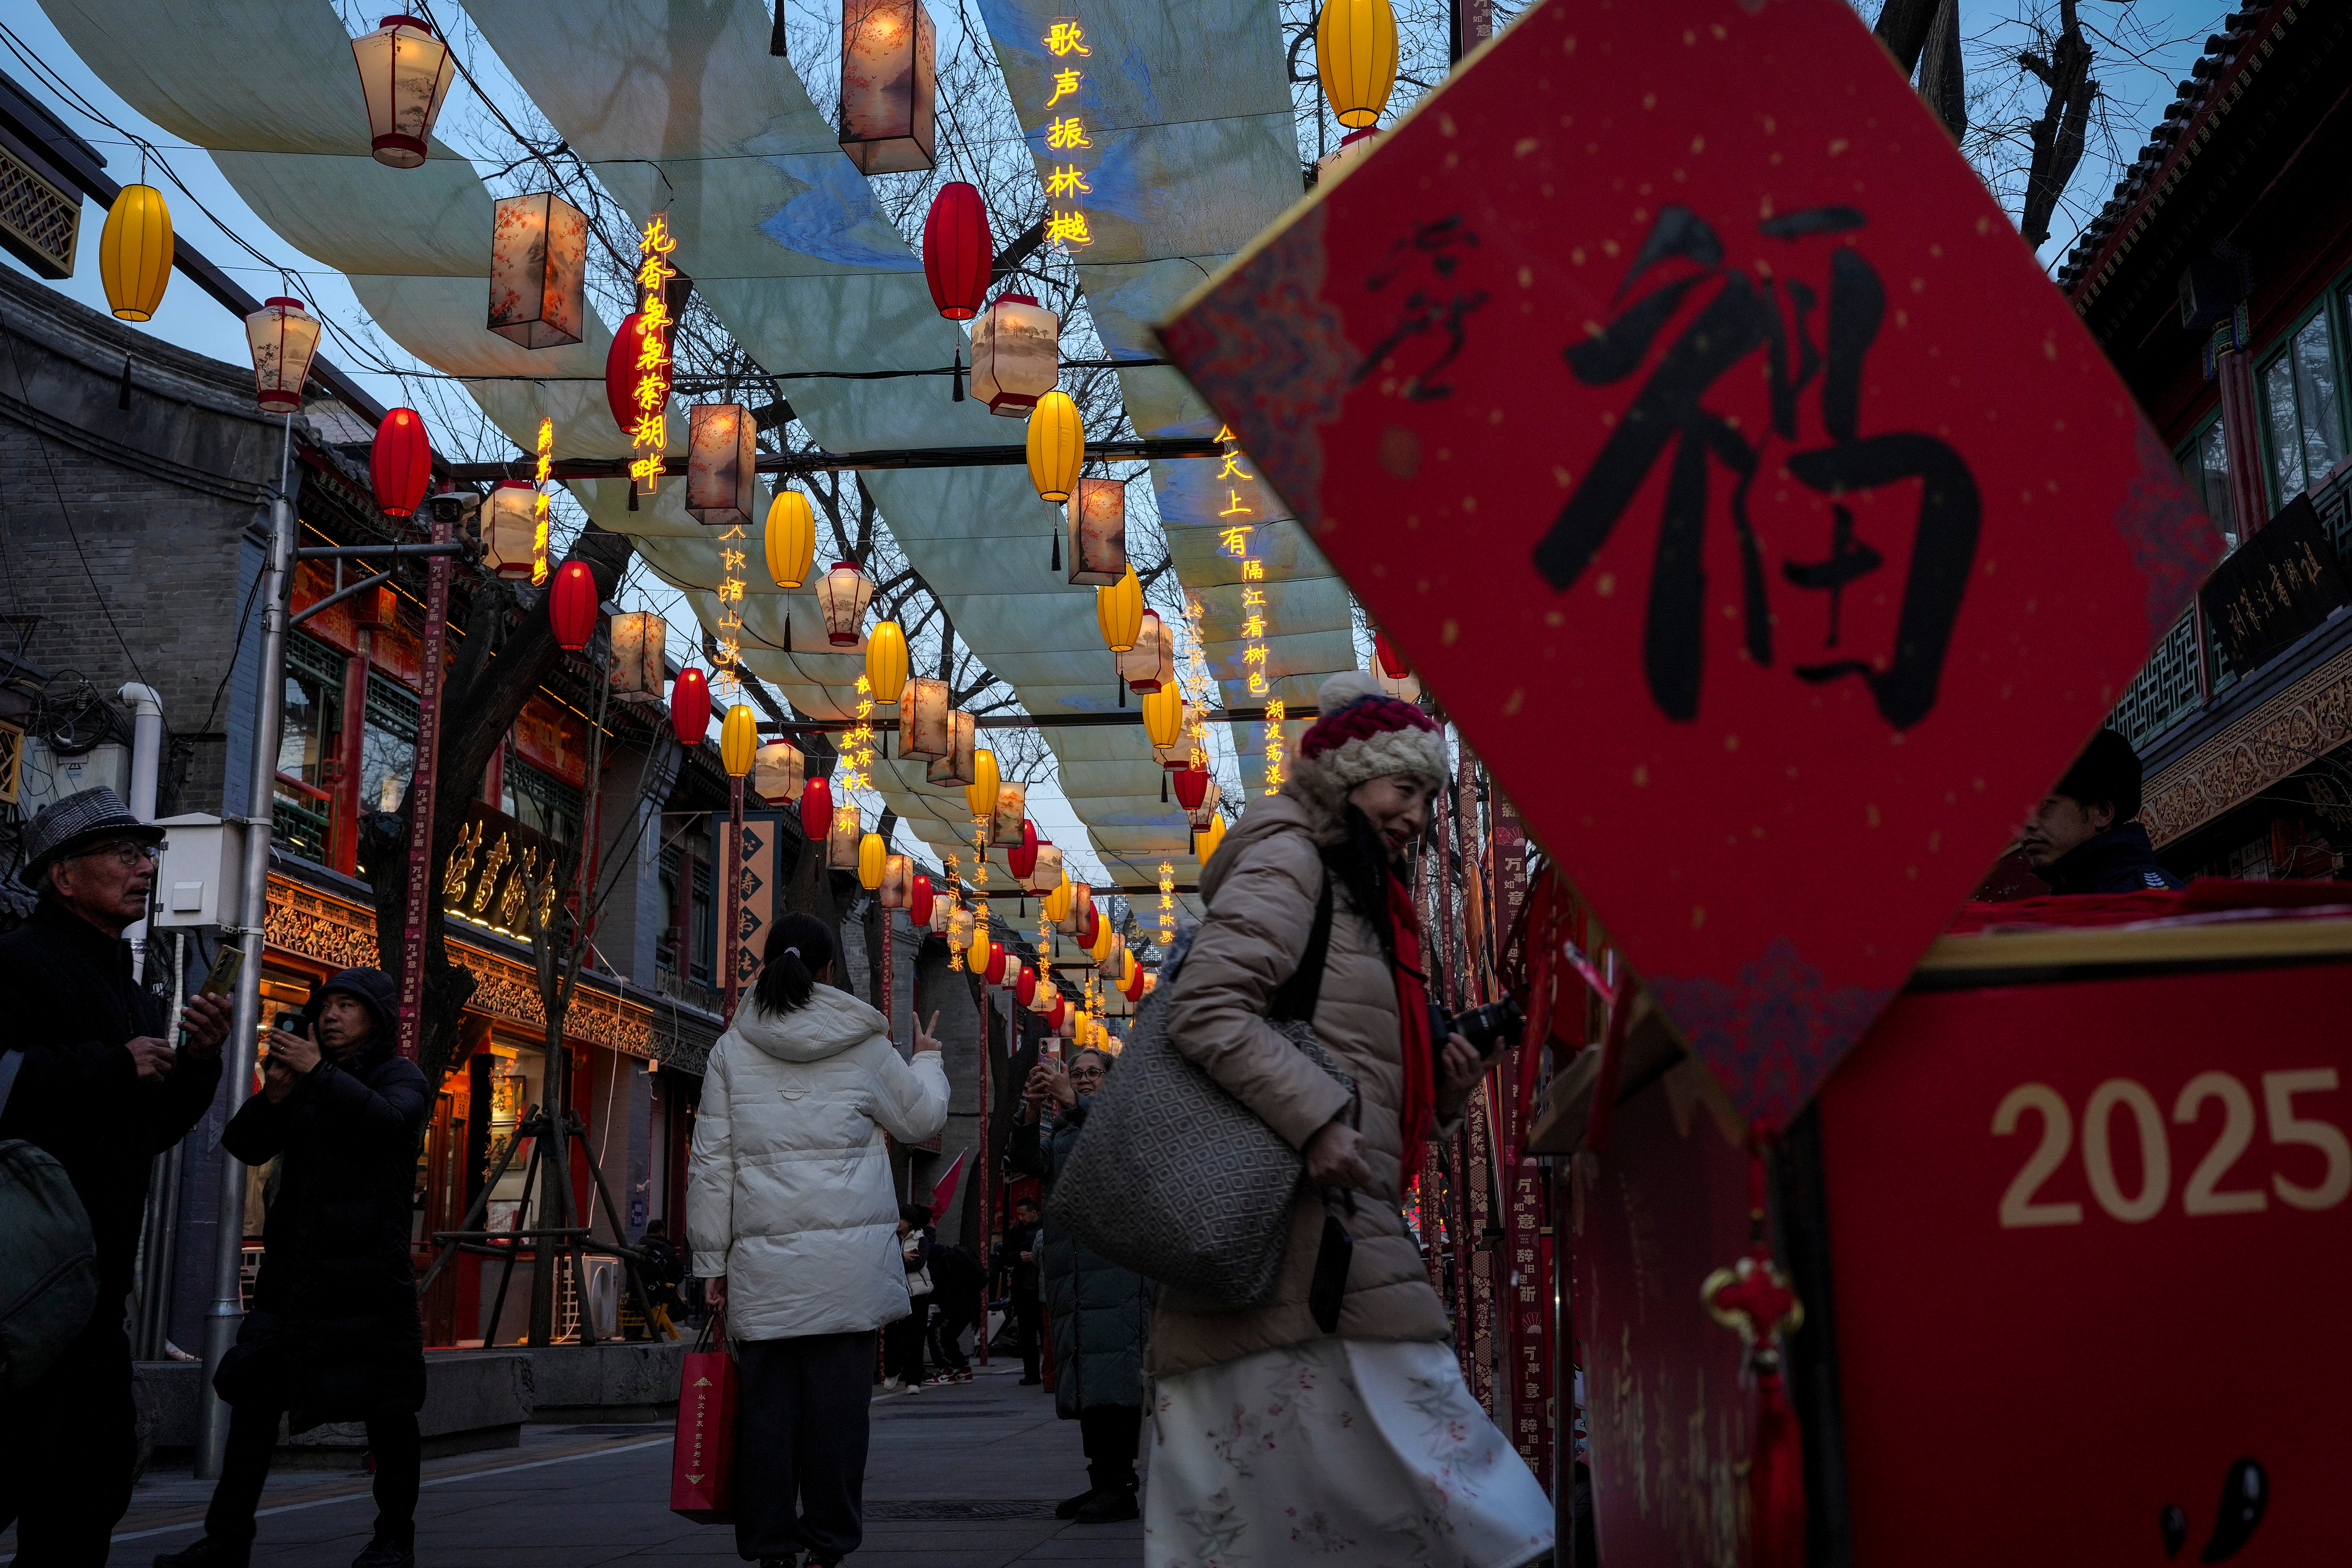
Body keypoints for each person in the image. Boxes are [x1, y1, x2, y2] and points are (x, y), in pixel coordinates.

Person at [1145, 671, 1555, 1568]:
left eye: (1430, 797)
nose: (1418, 814)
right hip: (1293, 1220)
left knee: (1271, 1488)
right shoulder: (1293, 861)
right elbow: (1207, 1007)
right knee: (1438, 1458)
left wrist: (1445, 1088)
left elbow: (1357, 1074)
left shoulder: (1363, 892)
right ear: (1351, 775)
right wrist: (1317, 1120)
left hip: (1318, 1223)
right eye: (1405, 787)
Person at [0, 788, 232, 1567]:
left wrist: (199, 1061)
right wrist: (108, 1066)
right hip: (19, 1286)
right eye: (125, 854)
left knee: (90, 1484)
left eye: (147, 855)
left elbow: (146, 1131)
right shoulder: (18, 963)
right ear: (64, 877)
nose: (146, 869)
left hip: (94, 1292)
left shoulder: (129, 988)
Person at [690, 913, 949, 1568]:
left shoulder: (732, 1050)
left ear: (767, 964)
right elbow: (920, 1118)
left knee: (767, 1421)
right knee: (838, 1420)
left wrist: (711, 1262)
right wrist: (928, 1059)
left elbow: (712, 1166)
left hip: (765, 1273)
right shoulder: (865, 1046)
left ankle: (772, 1548)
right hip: (847, 1275)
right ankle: (828, 1545)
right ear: (830, 970)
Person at [159, 967, 430, 1568]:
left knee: (389, 1412)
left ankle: (394, 1538)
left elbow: (390, 1125)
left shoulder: (399, 1076)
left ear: (377, 1019)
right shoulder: (305, 1079)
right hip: (295, 1283)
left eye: (347, 1006)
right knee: (253, 1403)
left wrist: (319, 1073)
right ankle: (227, 1539)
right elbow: (244, 1145)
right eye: (325, 1006)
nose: (331, 1016)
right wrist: (275, 1096)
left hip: (371, 1284)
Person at [1009, 1045, 1153, 1523]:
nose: (1085, 1079)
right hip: (1073, 1276)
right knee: (1088, 1384)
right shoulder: (1064, 1132)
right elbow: (1024, 1160)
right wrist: (1031, 1108)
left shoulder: (1127, 1119)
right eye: (1077, 1074)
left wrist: (1071, 1099)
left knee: (1115, 1382)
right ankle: (1102, 1482)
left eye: (1095, 1073)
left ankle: (1121, 1487)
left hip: (1116, 1274)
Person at [2016, 726, 2185, 894]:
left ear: (2102, 813)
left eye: (2044, 806)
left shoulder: (2148, 901)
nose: (2027, 825)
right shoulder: (2080, 901)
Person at [882, 1202, 936, 1393]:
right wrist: (902, 1257)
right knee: (892, 1336)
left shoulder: (921, 1239)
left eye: (903, 1219)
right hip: (895, 1294)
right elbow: (883, 1262)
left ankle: (914, 1381)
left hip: (917, 1296)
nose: (899, 1222)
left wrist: (897, 1260)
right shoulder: (888, 1239)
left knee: (916, 1338)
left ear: (911, 1222)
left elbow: (918, 1264)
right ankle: (892, 1371)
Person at [923, 1239, 982, 1384]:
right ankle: (963, 1370)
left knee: (936, 1332)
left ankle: (947, 1370)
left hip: (956, 1305)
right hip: (969, 1304)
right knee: (947, 1336)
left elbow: (933, 1289)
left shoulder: (937, 1264)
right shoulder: (950, 1256)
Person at [1000, 1195, 1044, 1384]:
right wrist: (1019, 1256)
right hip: (1023, 1290)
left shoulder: (1047, 1228)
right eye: (1019, 1214)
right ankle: (1031, 1374)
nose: (1021, 1218)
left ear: (1034, 1213)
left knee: (1046, 1333)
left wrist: (1037, 1257)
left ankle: (1052, 1373)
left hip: (1042, 1290)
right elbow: (1005, 1255)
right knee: (1026, 1334)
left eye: (1023, 1215)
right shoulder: (1017, 1231)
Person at [639, 1218, 686, 1334]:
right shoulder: (666, 1249)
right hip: (659, 1296)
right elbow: (678, 1271)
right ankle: (659, 1329)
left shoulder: (637, 1247)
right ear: (661, 1232)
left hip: (637, 1295)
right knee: (682, 1310)